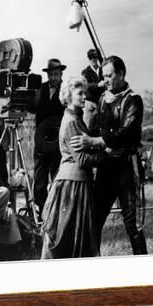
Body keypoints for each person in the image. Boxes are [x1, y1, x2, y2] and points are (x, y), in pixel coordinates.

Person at [70, 55, 147, 255]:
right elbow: (97, 129)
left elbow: (127, 133)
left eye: (110, 76)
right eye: (103, 76)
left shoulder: (133, 100)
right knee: (94, 220)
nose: (106, 80)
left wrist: (97, 141)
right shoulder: (103, 98)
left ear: (121, 74)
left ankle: (145, 269)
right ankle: (90, 264)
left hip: (126, 168)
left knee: (132, 224)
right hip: (106, 168)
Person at [41, 78, 108, 259]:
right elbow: (82, 159)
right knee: (68, 235)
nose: (84, 96)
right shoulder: (70, 121)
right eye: (80, 93)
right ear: (69, 96)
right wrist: (105, 156)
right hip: (72, 185)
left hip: (78, 182)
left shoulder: (76, 118)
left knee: (77, 235)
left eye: (84, 93)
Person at [28, 58, 66, 214]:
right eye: (51, 74)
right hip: (42, 141)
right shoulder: (41, 89)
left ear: (61, 74)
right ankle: (41, 210)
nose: (53, 78)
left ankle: (57, 209)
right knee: (40, 178)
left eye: (56, 74)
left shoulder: (66, 90)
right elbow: (31, 108)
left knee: (57, 175)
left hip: (58, 141)